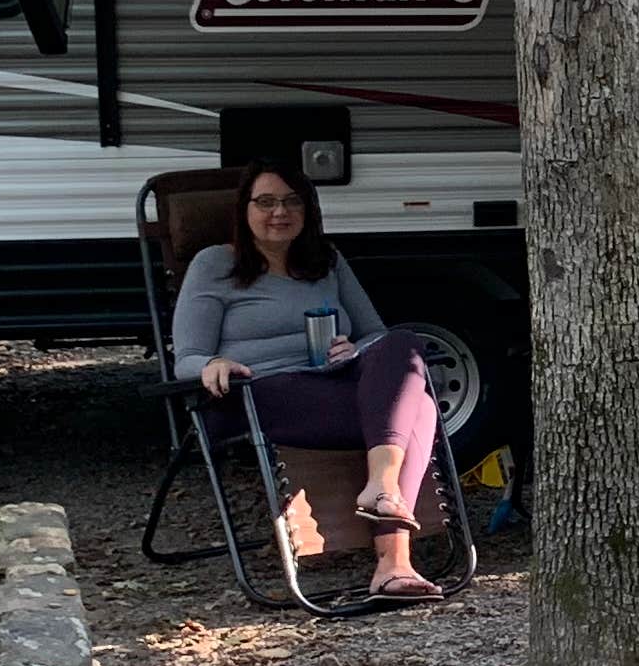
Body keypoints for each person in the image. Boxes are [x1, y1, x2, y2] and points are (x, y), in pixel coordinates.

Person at [174, 167, 445, 602]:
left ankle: (382, 492)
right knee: (421, 409)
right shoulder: (215, 264)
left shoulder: (327, 261)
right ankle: (393, 560)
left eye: (292, 201)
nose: (279, 212)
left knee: (404, 342)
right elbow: (186, 358)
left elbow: (375, 335)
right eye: (266, 202)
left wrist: (354, 348)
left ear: (308, 210)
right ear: (244, 210)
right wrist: (212, 364)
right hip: (258, 394)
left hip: (332, 384)